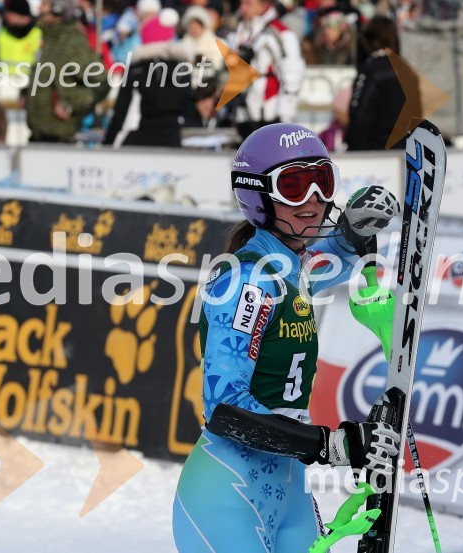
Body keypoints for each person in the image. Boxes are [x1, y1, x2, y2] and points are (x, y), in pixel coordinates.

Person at [172, 123, 401, 552]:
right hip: (227, 493)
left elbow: (324, 264)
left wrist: (352, 233)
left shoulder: (288, 266)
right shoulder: (245, 279)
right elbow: (225, 409)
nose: (312, 199)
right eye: (294, 186)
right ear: (257, 196)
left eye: (322, 182)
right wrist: (332, 444)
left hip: (288, 485)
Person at [25, 0, 110, 142]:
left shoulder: (72, 43)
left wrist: (71, 105)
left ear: (59, 10)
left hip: (60, 136)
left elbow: (101, 82)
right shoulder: (49, 39)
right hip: (39, 133)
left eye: (45, 4)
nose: (39, 7)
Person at [227, 0, 305, 137]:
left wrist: (284, 115)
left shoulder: (281, 33)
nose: (242, 8)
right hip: (244, 113)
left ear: (264, 5)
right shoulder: (240, 31)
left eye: (248, 4)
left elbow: (292, 74)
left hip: (269, 113)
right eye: (241, 4)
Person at [346, 16, 407, 151]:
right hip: (405, 150)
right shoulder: (405, 69)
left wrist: (353, 149)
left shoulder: (370, 70)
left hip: (375, 152)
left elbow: (359, 114)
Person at [0, 0, 41, 83]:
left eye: (11, 13)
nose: (7, 16)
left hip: (28, 83)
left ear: (21, 15)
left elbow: (41, 61)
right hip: (2, 82)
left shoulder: (37, 34)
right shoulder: (2, 32)